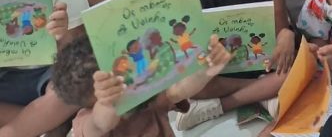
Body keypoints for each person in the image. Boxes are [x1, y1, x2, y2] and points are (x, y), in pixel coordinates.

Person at [175, 0, 297, 130]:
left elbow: (280, 37)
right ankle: (262, 94)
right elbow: (199, 51)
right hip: (227, 73)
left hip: (266, 66)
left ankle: (219, 106)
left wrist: (286, 35)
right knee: (193, 85)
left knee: (292, 73)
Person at [0, 0, 89, 137]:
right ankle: (50, 125)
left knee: (80, 80)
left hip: (52, 73)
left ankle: (16, 131)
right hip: (7, 77)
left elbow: (80, 54)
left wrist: (63, 35)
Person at [52, 34, 231, 137]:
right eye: (109, 86)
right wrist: (107, 104)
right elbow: (100, 125)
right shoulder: (86, 122)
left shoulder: (143, 98)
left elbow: (177, 91)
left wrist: (206, 70)